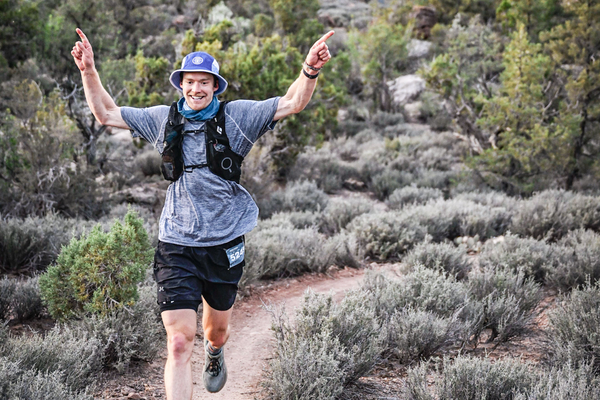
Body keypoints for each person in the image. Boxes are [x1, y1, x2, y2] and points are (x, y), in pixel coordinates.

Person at [71, 27, 334, 400]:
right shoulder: (163, 119)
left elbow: (292, 103)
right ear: (181, 84)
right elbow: (106, 114)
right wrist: (88, 70)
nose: (196, 88)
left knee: (215, 332)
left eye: (204, 82)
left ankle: (215, 353)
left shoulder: (238, 117)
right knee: (178, 342)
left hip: (224, 242)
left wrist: (309, 69)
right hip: (176, 242)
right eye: (190, 81)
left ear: (215, 86)